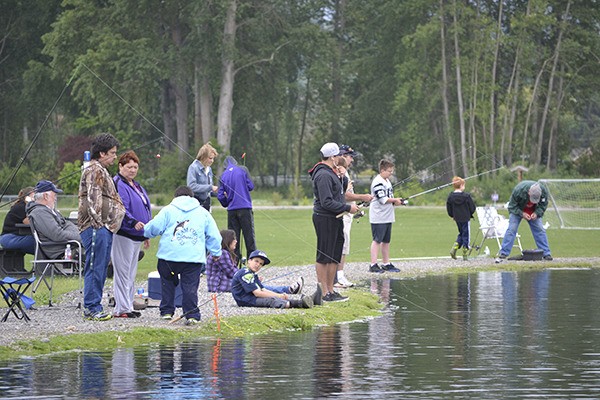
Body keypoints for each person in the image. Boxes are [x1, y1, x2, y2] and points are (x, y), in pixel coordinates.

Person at [144, 186, 222, 325]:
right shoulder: (203, 212)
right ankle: (191, 314)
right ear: (192, 197)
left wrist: (146, 232)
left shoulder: (168, 210)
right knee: (190, 287)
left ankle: (167, 311)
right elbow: (213, 235)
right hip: (192, 258)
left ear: (176, 197)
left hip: (168, 256)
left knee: (167, 283)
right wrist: (216, 252)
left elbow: (154, 227)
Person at [79, 133, 126, 321]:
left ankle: (94, 305)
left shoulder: (100, 170)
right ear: (102, 153)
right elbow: (93, 198)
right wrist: (99, 224)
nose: (115, 156)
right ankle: (92, 307)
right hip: (96, 228)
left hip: (104, 228)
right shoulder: (94, 170)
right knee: (95, 267)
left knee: (100, 267)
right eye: (112, 153)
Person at [308, 142, 358, 302]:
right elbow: (326, 202)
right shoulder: (323, 174)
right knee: (324, 255)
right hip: (324, 218)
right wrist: (348, 208)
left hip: (335, 218)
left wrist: (342, 177)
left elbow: (339, 192)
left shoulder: (332, 172)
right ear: (331, 157)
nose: (341, 159)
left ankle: (331, 290)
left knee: (334, 254)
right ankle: (324, 292)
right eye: (338, 156)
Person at [111, 150, 151, 318]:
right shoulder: (118, 183)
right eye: (129, 167)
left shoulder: (136, 185)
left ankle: (128, 304)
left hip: (137, 236)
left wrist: (147, 232)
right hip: (124, 234)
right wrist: (133, 222)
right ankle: (121, 308)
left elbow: (145, 207)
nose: (133, 170)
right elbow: (122, 208)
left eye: (135, 167)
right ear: (121, 166)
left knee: (131, 272)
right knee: (122, 271)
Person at [207, 229, 304, 294]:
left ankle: (288, 289)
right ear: (227, 240)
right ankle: (289, 290)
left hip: (226, 285)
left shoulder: (225, 253)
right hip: (220, 287)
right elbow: (232, 273)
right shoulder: (222, 253)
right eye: (234, 239)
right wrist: (250, 276)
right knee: (257, 287)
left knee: (258, 285)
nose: (236, 241)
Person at [335, 145, 373, 288]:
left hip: (347, 213)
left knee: (344, 246)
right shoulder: (341, 173)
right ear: (343, 156)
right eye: (351, 157)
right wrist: (364, 196)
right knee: (342, 246)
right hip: (343, 213)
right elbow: (345, 195)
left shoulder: (345, 173)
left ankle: (339, 275)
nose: (352, 160)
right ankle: (339, 277)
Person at [231, 250, 314, 309]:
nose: (258, 265)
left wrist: (280, 295)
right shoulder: (245, 273)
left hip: (250, 297)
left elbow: (263, 289)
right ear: (249, 261)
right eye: (256, 261)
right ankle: (299, 304)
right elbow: (257, 293)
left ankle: (308, 301)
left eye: (261, 264)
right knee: (271, 300)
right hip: (245, 300)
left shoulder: (252, 274)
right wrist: (278, 295)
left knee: (275, 297)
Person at [496, 180, 553, 262]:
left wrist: (537, 213)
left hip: (533, 211)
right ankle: (504, 253)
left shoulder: (543, 191)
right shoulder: (518, 190)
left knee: (540, 229)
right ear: (529, 192)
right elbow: (511, 206)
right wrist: (522, 214)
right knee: (512, 229)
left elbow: (543, 205)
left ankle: (546, 254)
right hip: (518, 210)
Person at [26, 180, 81, 259]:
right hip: (60, 250)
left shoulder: (48, 210)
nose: (55, 199)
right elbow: (58, 234)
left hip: (68, 245)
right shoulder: (40, 213)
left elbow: (65, 224)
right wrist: (81, 237)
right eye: (54, 195)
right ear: (45, 196)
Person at [217, 155, 256, 263]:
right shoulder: (243, 169)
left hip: (232, 210)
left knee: (233, 238)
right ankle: (252, 262)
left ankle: (234, 263)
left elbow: (220, 196)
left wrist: (226, 202)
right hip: (245, 207)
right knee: (249, 237)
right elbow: (251, 186)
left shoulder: (223, 175)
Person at [368, 159, 405, 273]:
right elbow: (383, 199)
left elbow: (389, 197)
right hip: (379, 216)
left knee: (386, 241)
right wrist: (395, 200)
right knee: (377, 240)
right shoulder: (378, 181)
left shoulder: (387, 181)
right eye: (389, 171)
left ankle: (386, 263)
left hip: (388, 216)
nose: (391, 173)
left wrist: (397, 201)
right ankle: (373, 264)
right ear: (382, 170)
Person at [446, 176, 476, 260]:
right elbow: (472, 207)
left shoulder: (451, 197)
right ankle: (465, 251)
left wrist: (452, 215)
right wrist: (470, 213)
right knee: (466, 234)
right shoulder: (466, 196)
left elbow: (449, 208)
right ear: (462, 185)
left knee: (461, 233)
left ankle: (455, 246)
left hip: (457, 218)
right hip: (465, 218)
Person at [0, 186, 36, 254]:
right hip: (8, 238)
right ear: (27, 198)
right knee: (34, 241)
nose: (35, 199)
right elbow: (28, 222)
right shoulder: (21, 206)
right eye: (33, 197)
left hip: (18, 236)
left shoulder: (28, 206)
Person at [187, 143, 218, 211]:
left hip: (207, 205)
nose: (212, 161)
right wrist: (210, 187)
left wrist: (220, 192)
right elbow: (191, 186)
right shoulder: (193, 167)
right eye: (210, 158)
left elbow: (208, 191)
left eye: (213, 158)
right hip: (195, 206)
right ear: (203, 157)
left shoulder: (209, 169)